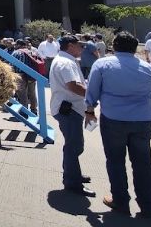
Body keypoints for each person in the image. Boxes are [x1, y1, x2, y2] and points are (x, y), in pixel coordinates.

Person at [85, 32, 151, 218]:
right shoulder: (148, 68)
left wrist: (90, 111)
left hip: (113, 119)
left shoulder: (102, 64)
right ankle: (148, 205)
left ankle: (120, 201)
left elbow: (92, 90)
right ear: (135, 48)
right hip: (143, 120)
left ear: (114, 46)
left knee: (115, 161)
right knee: (143, 163)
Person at [49, 35, 94, 197]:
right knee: (74, 146)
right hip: (69, 110)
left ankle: (73, 174)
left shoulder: (65, 60)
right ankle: (72, 182)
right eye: (79, 45)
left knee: (74, 145)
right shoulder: (66, 63)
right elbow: (73, 86)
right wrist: (92, 95)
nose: (82, 48)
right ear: (70, 46)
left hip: (70, 109)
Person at [11, 39, 38, 115]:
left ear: (19, 45)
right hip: (31, 75)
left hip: (20, 75)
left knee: (22, 94)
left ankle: (24, 111)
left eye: (16, 44)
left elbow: (11, 64)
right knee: (32, 93)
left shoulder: (16, 52)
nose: (15, 46)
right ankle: (34, 110)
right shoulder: (31, 52)